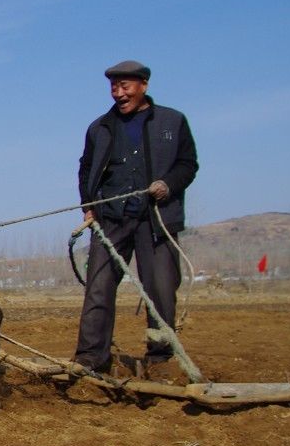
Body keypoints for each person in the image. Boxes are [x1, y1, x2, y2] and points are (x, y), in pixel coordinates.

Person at [73, 60, 198, 373]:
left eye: (125, 86)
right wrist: (88, 205)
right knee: (98, 288)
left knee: (160, 288)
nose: (119, 93)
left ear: (143, 85)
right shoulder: (98, 128)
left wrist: (167, 185)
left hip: (155, 220)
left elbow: (188, 164)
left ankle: (160, 357)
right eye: (114, 87)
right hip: (109, 220)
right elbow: (86, 168)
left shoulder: (173, 121)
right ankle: (90, 359)